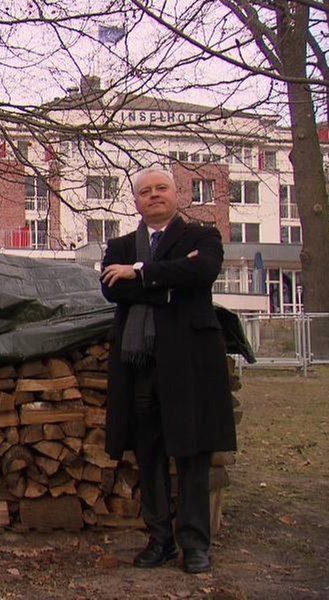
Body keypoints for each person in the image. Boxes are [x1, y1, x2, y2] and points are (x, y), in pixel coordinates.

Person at [99, 168, 237, 574]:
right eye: (145, 192)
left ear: (176, 194)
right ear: (136, 202)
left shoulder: (202, 237)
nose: (154, 196)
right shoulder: (120, 244)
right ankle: (159, 539)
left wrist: (140, 273)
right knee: (150, 452)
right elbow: (112, 289)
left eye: (161, 189)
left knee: (193, 452)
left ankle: (195, 543)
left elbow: (203, 271)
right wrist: (173, 280)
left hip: (191, 361)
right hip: (140, 365)